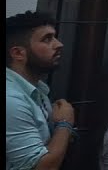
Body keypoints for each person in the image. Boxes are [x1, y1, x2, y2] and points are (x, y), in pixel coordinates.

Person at [5, 11, 76, 170]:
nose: (58, 44)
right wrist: (64, 124)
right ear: (18, 53)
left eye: (54, 37)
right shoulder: (11, 100)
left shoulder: (37, 90)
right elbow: (40, 167)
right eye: (47, 39)